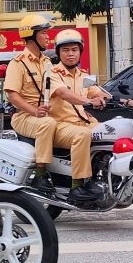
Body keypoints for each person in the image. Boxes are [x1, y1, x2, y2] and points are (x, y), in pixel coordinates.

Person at [4, 12, 99, 197]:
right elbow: (12, 96)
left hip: (45, 117)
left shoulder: (47, 62)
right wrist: (34, 111)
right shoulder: (17, 64)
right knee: (48, 123)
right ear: (31, 35)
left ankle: (85, 180)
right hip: (25, 116)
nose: (48, 36)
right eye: (44, 33)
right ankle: (40, 175)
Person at [46, 28, 108, 202]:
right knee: (83, 134)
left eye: (74, 50)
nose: (70, 54)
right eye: (65, 50)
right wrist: (88, 101)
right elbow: (64, 93)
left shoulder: (83, 76)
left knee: (111, 131)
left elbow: (99, 92)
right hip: (60, 126)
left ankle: (103, 175)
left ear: (80, 51)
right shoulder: (52, 74)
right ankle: (77, 186)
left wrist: (127, 101)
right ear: (59, 53)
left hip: (83, 123)